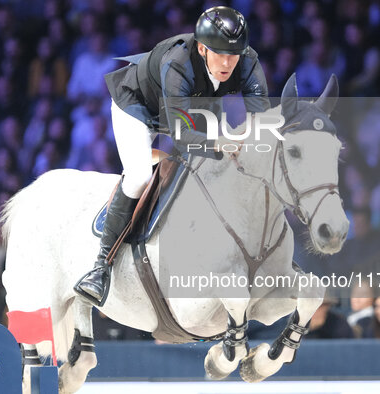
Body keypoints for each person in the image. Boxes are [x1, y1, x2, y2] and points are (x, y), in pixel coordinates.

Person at [74, 6, 270, 305]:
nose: (229, 63)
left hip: (194, 107)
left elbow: (260, 119)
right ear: (202, 48)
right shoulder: (178, 63)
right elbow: (180, 134)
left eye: (235, 55)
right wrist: (222, 142)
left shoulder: (248, 61)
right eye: (221, 54)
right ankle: (101, 267)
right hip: (138, 107)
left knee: (222, 167)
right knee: (139, 176)